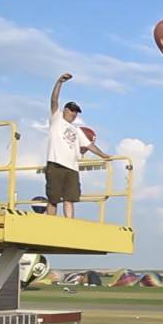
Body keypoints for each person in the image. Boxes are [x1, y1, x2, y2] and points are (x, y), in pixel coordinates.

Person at [44, 73, 111, 218]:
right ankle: (50, 223)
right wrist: (59, 82)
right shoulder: (57, 119)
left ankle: (69, 224)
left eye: (76, 112)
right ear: (65, 110)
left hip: (72, 167)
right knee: (53, 198)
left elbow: (89, 145)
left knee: (70, 198)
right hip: (56, 163)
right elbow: (54, 100)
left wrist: (104, 155)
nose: (74, 114)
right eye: (72, 110)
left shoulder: (77, 129)